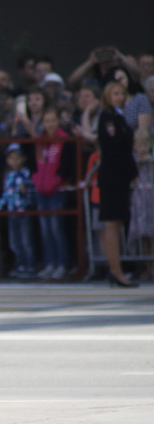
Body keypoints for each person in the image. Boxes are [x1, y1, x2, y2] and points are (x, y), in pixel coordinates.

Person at [97, 82, 139, 287]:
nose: (120, 97)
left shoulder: (118, 116)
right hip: (113, 176)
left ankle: (116, 269)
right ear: (107, 95)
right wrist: (132, 172)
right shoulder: (108, 118)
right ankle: (115, 271)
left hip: (119, 176)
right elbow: (115, 150)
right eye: (115, 93)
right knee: (113, 224)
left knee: (116, 223)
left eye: (122, 93)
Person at [32, 107, 74, 281]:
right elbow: (34, 162)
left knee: (56, 228)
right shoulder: (40, 140)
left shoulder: (64, 139)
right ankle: (50, 263)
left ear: (58, 121)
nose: (50, 124)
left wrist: (58, 180)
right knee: (45, 229)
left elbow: (68, 163)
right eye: (47, 121)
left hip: (57, 189)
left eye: (53, 120)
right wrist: (35, 179)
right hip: (40, 189)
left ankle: (62, 264)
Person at [0, 144, 36, 278]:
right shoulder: (8, 176)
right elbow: (6, 194)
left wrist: (26, 188)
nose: (15, 161)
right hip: (11, 213)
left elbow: (32, 193)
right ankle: (20, 264)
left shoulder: (27, 174)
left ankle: (30, 265)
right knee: (14, 241)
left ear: (23, 159)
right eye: (11, 158)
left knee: (26, 240)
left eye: (17, 158)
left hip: (23, 212)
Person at [129, 129, 154, 280]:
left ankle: (153, 267)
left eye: (145, 144)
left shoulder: (151, 160)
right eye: (139, 145)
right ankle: (147, 266)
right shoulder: (134, 160)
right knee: (143, 235)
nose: (142, 148)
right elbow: (133, 178)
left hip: (150, 200)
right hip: (139, 200)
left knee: (152, 234)